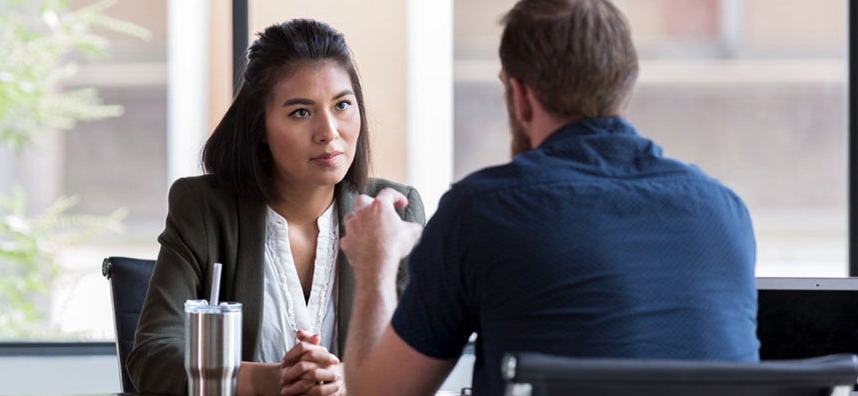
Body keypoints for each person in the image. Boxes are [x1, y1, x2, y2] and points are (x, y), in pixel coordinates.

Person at [338, 1, 759, 395]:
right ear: (624, 85)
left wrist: (376, 260)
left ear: (520, 97)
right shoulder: (724, 212)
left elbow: (378, 391)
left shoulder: (482, 212)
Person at [128, 18, 426, 396]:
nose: (329, 131)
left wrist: (348, 380)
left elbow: (419, 360)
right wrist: (272, 379)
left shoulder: (393, 210)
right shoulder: (202, 208)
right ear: (260, 127)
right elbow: (153, 357)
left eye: (342, 105)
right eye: (301, 112)